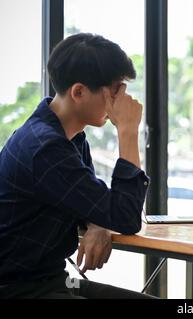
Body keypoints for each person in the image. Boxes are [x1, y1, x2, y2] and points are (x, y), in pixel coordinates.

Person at [0, 33, 152, 299]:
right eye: (116, 90)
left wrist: (99, 224)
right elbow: (125, 216)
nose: (123, 100)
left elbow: (94, 205)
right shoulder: (45, 148)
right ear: (79, 92)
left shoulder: (71, 138)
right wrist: (128, 131)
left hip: (54, 282)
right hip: (20, 290)